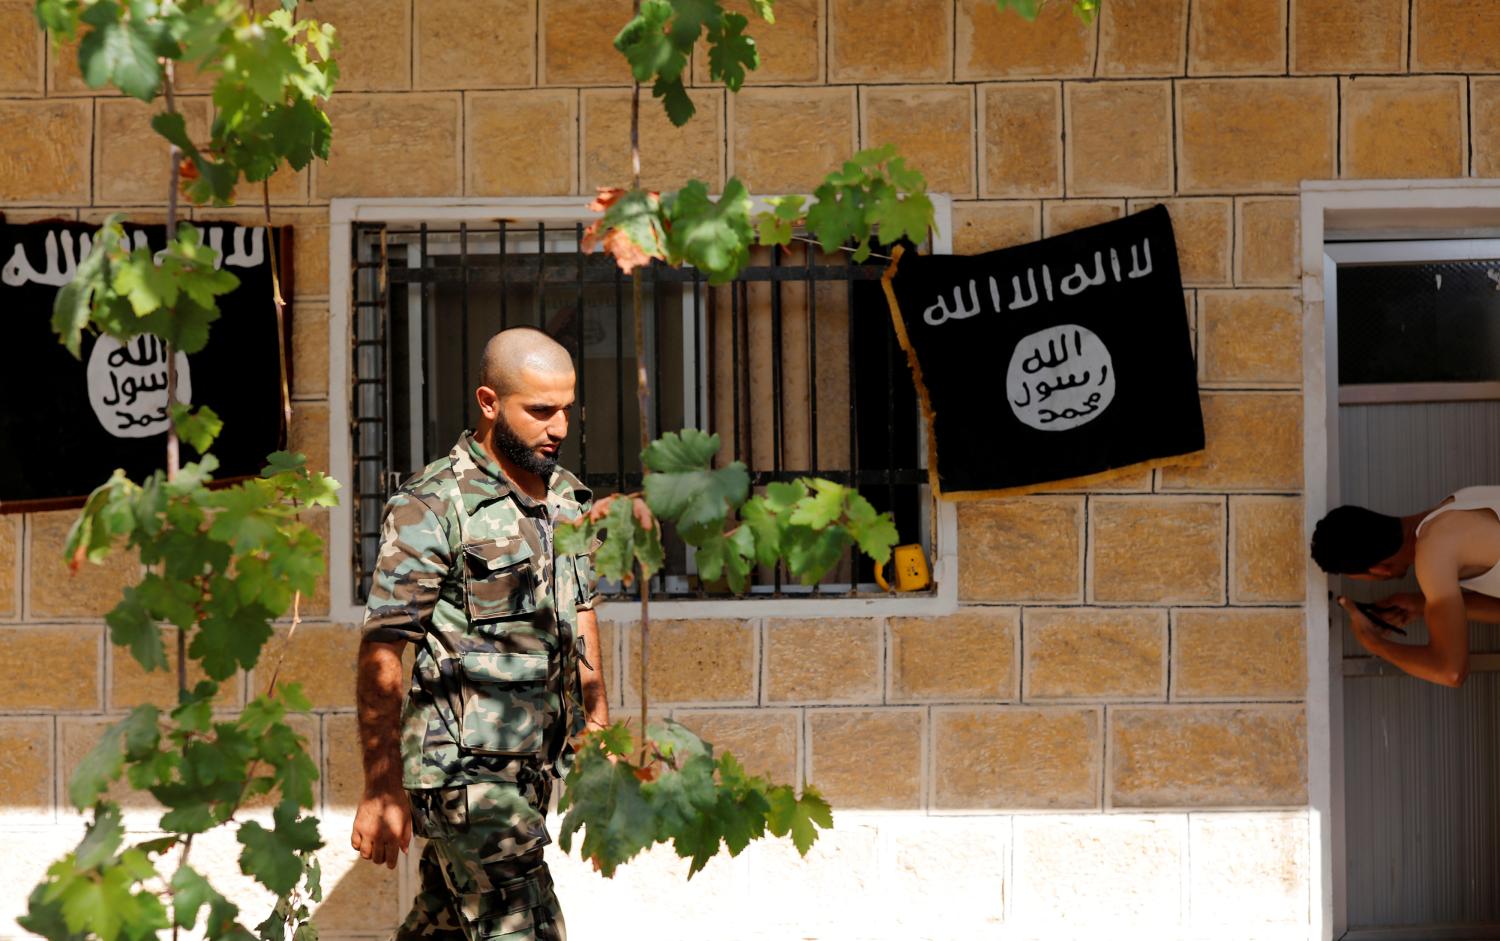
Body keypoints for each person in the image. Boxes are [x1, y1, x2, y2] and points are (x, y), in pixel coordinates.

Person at [351, 327, 610, 941]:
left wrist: (596, 735)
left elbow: (583, 614)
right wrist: (382, 784)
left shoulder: (567, 501)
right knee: (526, 926)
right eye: (541, 411)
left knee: (442, 924)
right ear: (489, 402)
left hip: (530, 769)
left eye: (567, 409)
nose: (560, 427)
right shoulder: (434, 503)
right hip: (463, 779)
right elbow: (384, 647)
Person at [1312, 486, 1500, 688]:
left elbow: (1451, 671)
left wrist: (1373, 643)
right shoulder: (1460, 501)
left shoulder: (1433, 554)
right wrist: (1421, 605)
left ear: (1379, 569)